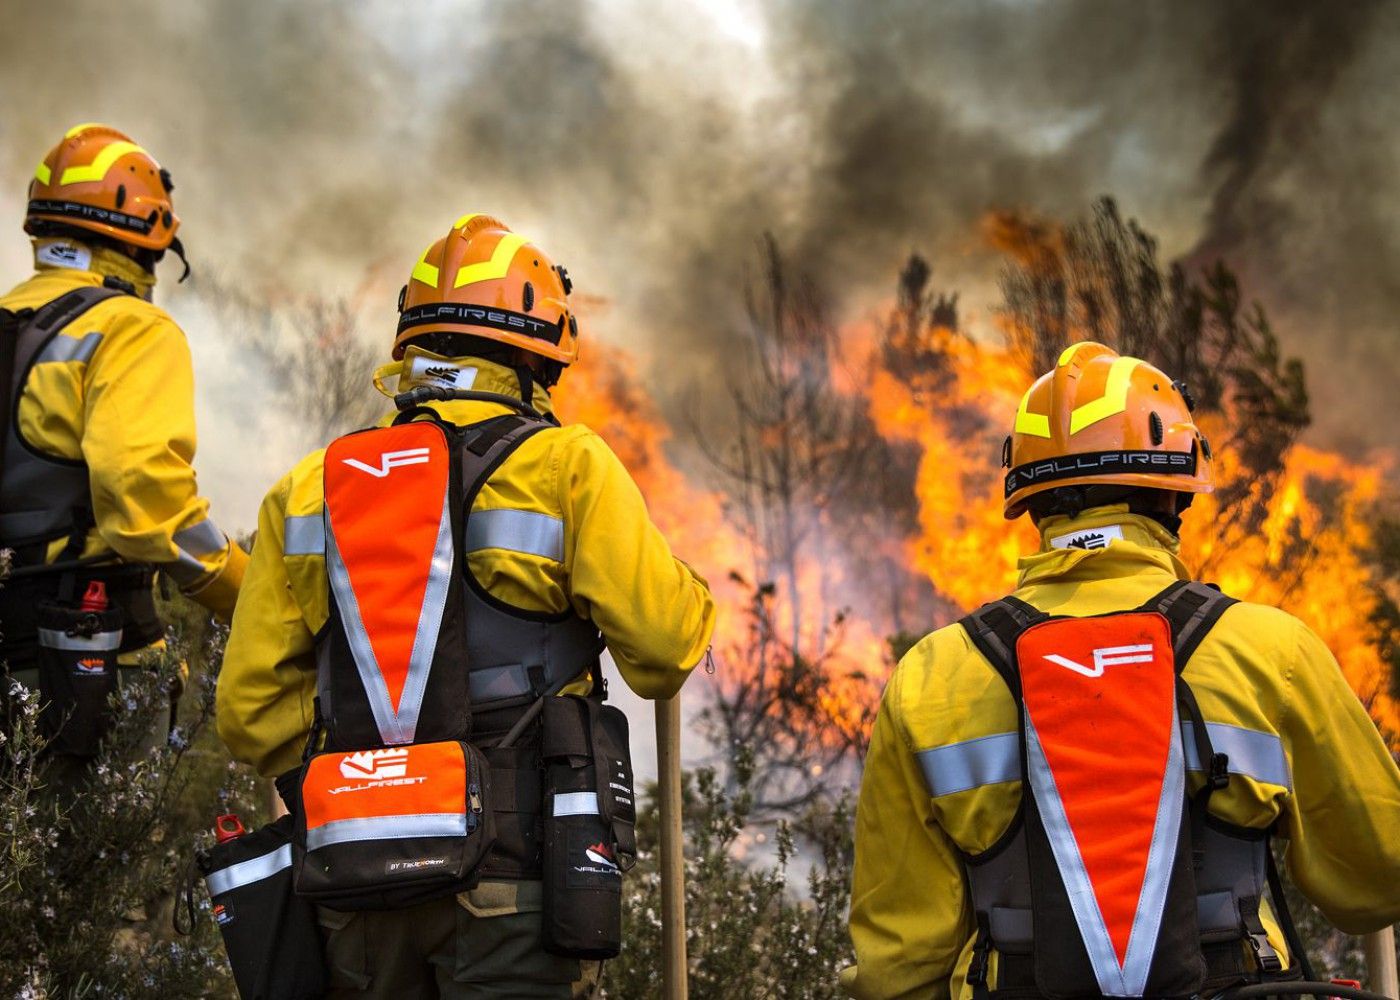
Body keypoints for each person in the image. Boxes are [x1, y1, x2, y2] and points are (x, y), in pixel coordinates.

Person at [217, 213, 716, 998]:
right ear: (534, 360)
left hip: (353, 885)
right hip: (514, 886)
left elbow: (250, 714)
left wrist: (369, 790)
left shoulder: (309, 489)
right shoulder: (567, 467)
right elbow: (662, 653)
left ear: (412, 348)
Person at [843, 341, 1400, 1000]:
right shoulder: (1268, 651)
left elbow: (898, 966)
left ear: (1030, 501)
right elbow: (1374, 881)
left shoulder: (931, 677)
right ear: (1174, 492)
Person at [1, 123, 246, 759]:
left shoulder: (10, 324)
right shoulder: (132, 328)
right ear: (144, 246)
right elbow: (143, 502)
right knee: (100, 854)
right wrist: (245, 588)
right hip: (81, 655)